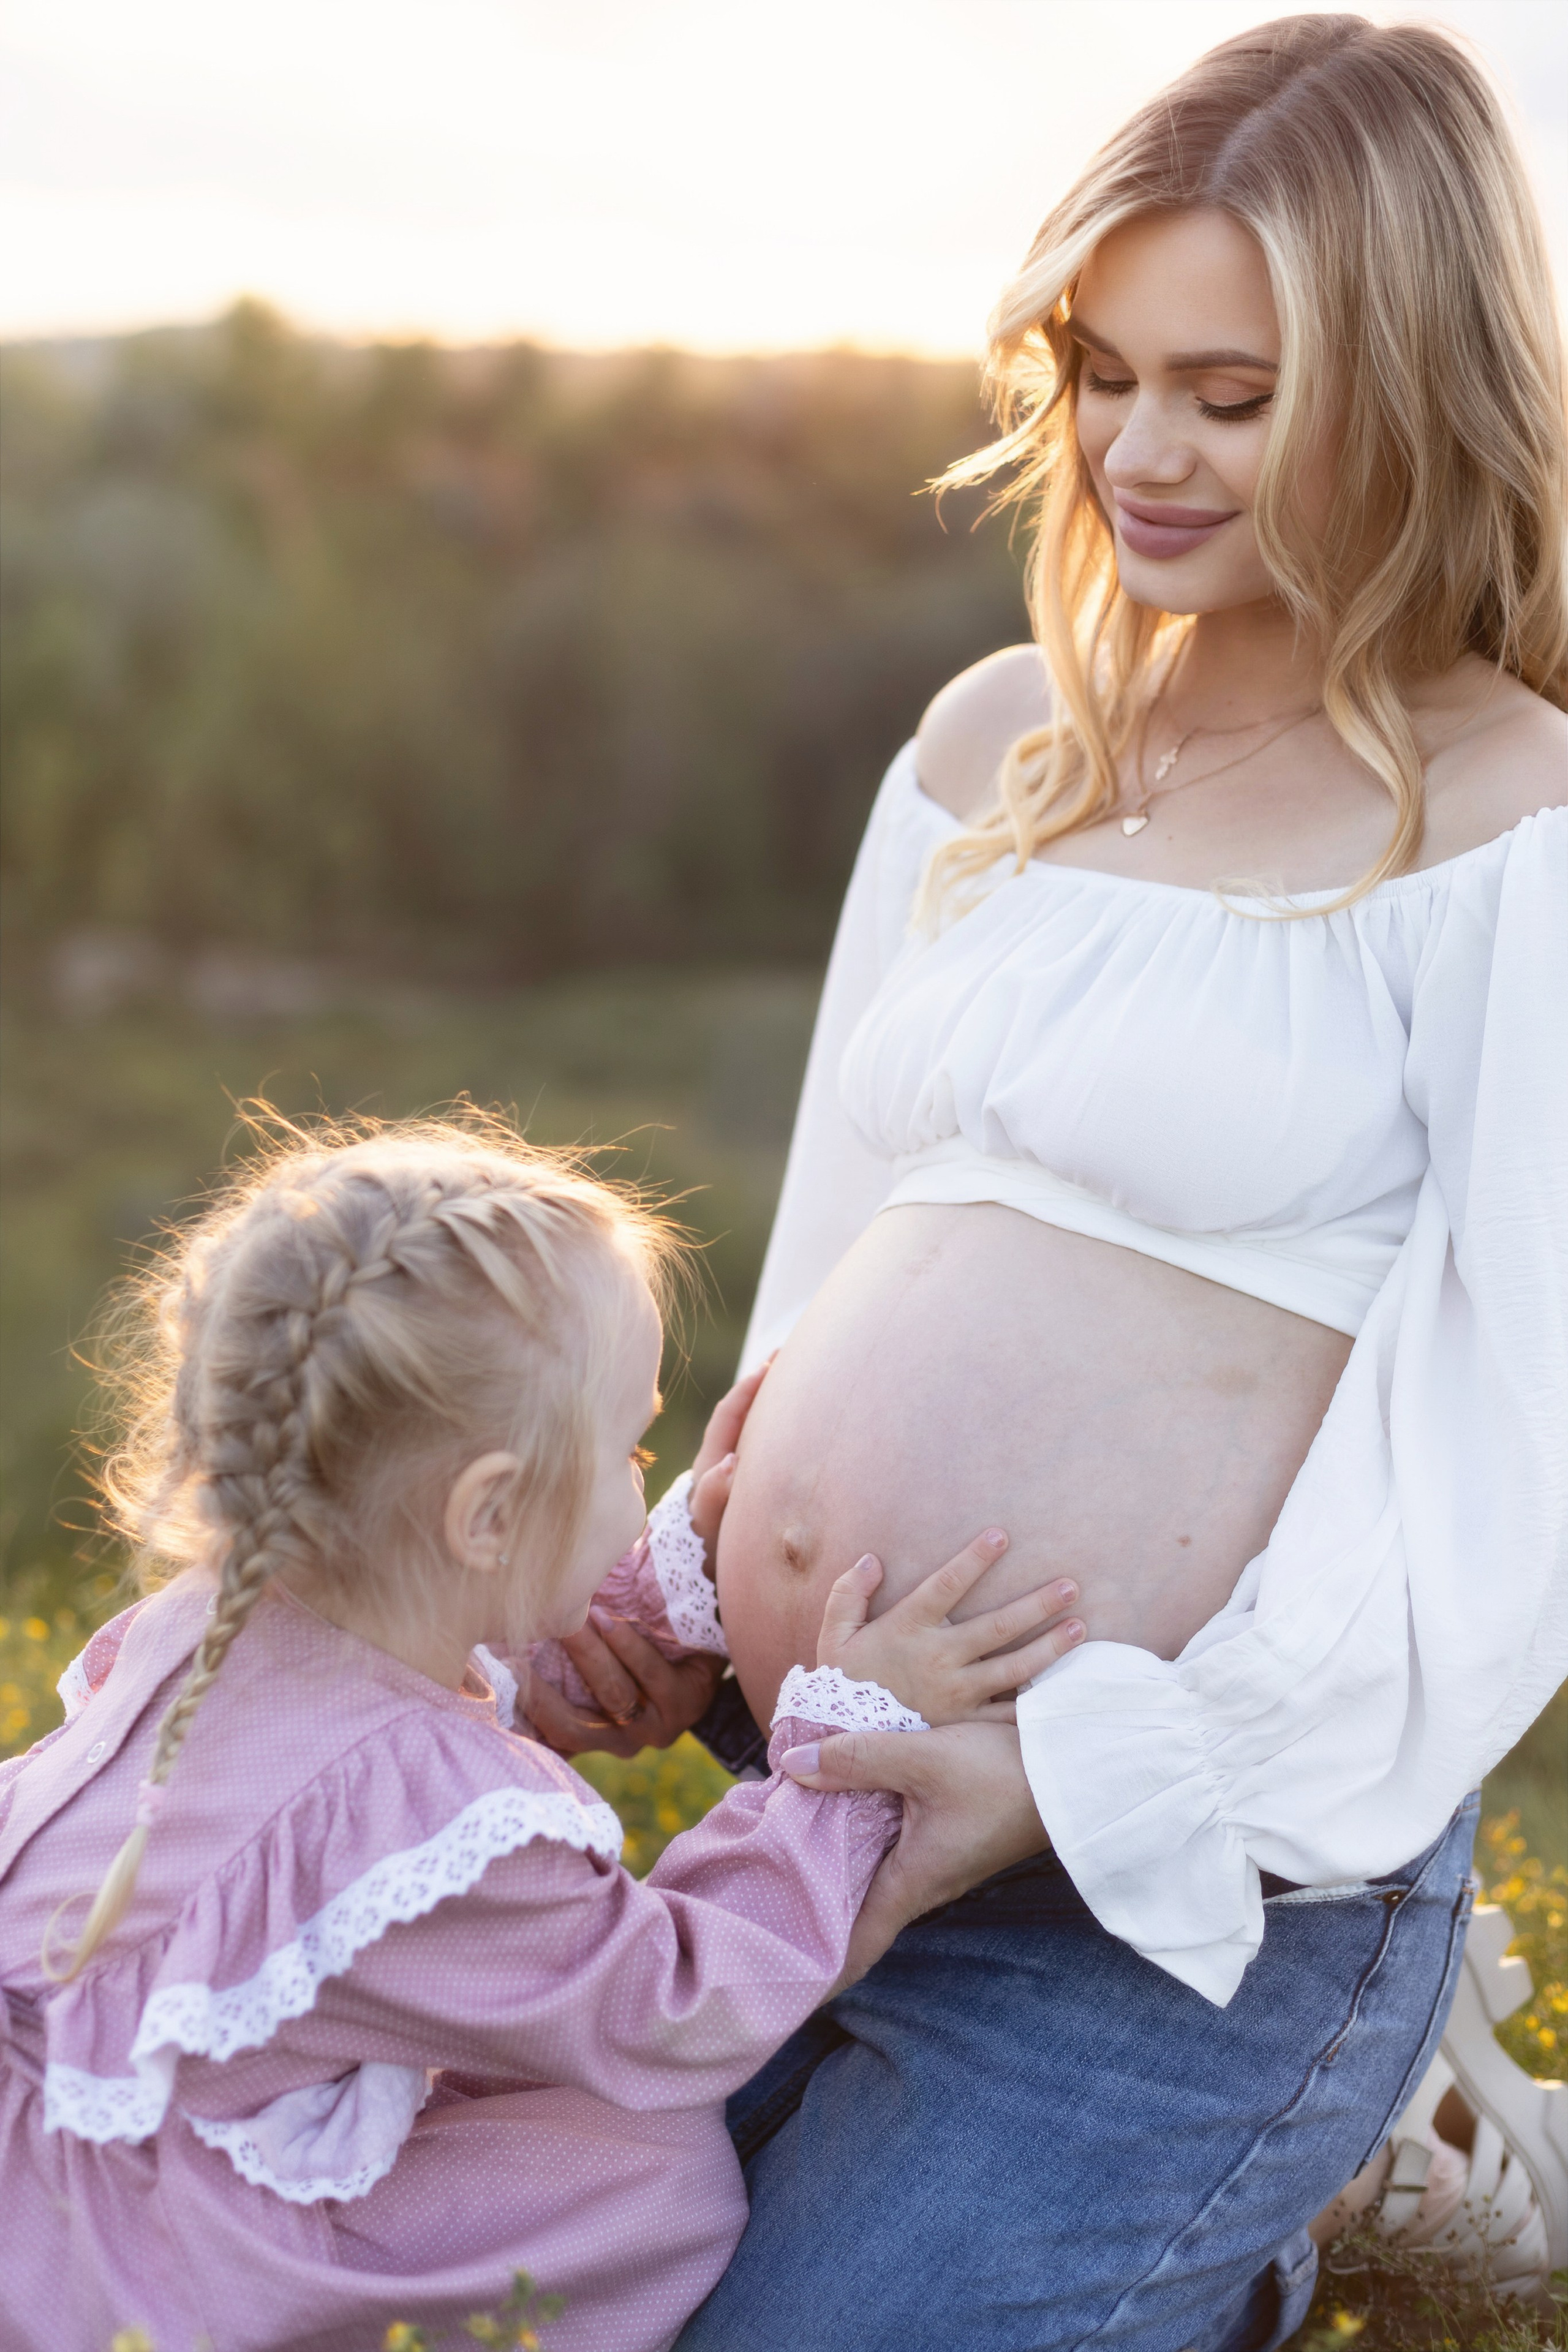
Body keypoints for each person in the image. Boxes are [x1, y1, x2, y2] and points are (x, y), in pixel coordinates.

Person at [538, 17, 1568, 2348]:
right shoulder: (1001, 745)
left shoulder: (1525, 821)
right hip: (815, 1800)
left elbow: (1527, 1452)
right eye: (1103, 370)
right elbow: (847, 1237)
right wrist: (682, 1577)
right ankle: (1270, 2225)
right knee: (442, 2251)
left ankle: (1311, 2131)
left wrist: (1087, 1779)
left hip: (1188, 1888)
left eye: (1230, 389)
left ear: (1409, 389)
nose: (1135, 448)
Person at [0, 1112, 1079, 2352]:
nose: (646, 1477)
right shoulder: (445, 1826)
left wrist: (614, 1607)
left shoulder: (217, 1623)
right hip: (118, 2271)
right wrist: (845, 1763)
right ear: (487, 1514)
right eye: (627, 1449)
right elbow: (675, 2008)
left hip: (62, 2146)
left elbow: (367, 1739)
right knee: (638, 2166)